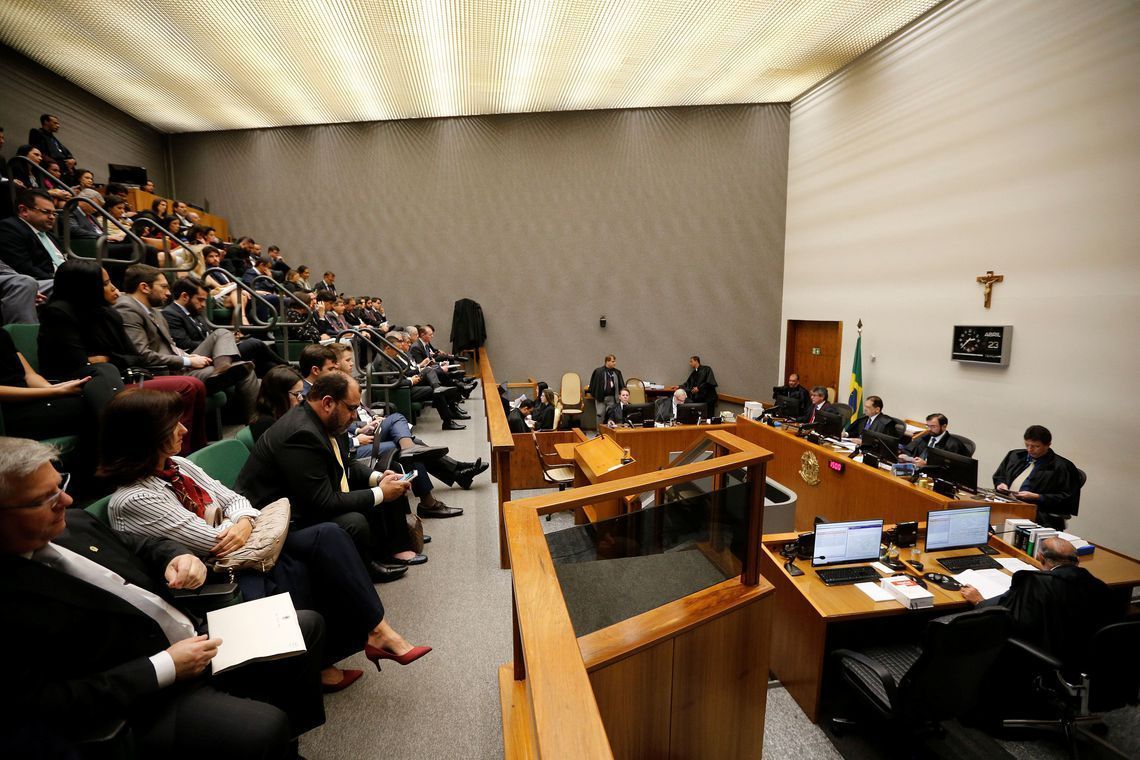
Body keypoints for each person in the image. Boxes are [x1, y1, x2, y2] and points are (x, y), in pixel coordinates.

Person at [0, 437, 326, 757]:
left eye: (61, 485)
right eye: (45, 498)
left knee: (305, 625)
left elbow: (141, 546)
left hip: (188, 635)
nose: (66, 500)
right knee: (265, 726)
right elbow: (42, 702)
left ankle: (282, 740)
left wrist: (176, 557)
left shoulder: (74, 522)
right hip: (142, 695)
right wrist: (164, 666)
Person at [100, 389, 431, 693]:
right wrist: (242, 521)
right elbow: (212, 542)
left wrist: (242, 521)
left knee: (331, 535)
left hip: (250, 546)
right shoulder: (132, 500)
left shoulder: (179, 466)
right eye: (172, 426)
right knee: (304, 562)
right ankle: (325, 659)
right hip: (216, 576)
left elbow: (237, 500)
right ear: (143, 438)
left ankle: (377, 630)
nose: (184, 431)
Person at [236, 371, 418, 582]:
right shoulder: (301, 433)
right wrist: (380, 493)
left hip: (303, 499)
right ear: (328, 403)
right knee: (354, 520)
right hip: (276, 520)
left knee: (381, 487)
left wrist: (378, 479)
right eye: (351, 408)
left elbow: (346, 463)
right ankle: (364, 572)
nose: (354, 416)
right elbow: (323, 502)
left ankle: (381, 555)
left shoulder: (328, 421)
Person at [37, 259, 208, 453]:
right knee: (187, 385)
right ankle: (175, 455)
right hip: (92, 386)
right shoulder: (58, 313)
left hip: (123, 376)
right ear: (86, 286)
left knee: (196, 385)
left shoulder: (108, 314)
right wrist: (109, 360)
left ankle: (195, 454)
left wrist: (107, 358)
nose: (114, 288)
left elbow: (133, 357)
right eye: (105, 283)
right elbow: (77, 363)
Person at [113, 264, 258, 409]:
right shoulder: (128, 309)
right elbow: (143, 355)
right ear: (144, 287)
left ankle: (222, 369)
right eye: (163, 287)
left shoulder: (153, 310)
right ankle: (256, 423)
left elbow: (170, 346)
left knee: (222, 332)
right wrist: (187, 361)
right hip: (161, 372)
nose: (168, 293)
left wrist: (189, 357)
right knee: (243, 369)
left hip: (176, 362)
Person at [961, 537, 1115, 668]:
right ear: (1078, 560)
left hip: (1047, 660)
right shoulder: (1098, 585)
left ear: (1040, 558)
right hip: (1088, 657)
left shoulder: (1036, 582)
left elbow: (1003, 611)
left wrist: (980, 601)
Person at [163, 276, 287, 377]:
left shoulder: (196, 311)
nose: (203, 305)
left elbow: (208, 335)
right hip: (196, 357)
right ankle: (287, 366)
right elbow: (184, 344)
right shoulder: (170, 314)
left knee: (263, 365)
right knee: (255, 343)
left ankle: (286, 375)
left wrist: (228, 341)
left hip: (214, 352)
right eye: (200, 300)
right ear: (185, 296)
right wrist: (217, 344)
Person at [992, 425, 1082, 529]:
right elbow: (1000, 476)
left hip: (1039, 512)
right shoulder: (1014, 455)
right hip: (1006, 503)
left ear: (1048, 445)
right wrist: (1001, 484)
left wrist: (1038, 497)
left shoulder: (1063, 467)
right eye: (1027, 445)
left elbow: (1067, 499)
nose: (1030, 449)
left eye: (1036, 446)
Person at [0, 188, 65, 281]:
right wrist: (61, 281)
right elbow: (23, 268)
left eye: (54, 213)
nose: (52, 217)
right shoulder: (9, 228)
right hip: (41, 282)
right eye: (46, 212)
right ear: (24, 210)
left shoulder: (51, 236)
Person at [898, 413, 971, 465]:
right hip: (915, 471)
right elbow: (907, 450)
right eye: (928, 426)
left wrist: (926, 464)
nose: (929, 429)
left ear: (944, 426)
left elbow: (951, 468)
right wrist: (906, 457)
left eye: (933, 426)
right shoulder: (925, 437)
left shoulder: (954, 445)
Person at [27, 113, 76, 184]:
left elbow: (66, 152)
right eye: (55, 123)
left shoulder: (54, 139)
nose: (58, 126)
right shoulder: (36, 132)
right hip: (50, 166)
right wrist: (56, 163)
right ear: (46, 122)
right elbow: (38, 152)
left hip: (63, 168)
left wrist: (72, 160)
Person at [588, 354, 625, 430]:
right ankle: (599, 432)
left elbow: (622, 385)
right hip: (600, 398)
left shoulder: (617, 372)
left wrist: (621, 396)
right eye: (613, 361)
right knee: (600, 415)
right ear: (607, 361)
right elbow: (593, 384)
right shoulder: (598, 371)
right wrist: (595, 395)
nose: (615, 363)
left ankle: (610, 432)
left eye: (615, 361)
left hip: (612, 398)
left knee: (611, 415)